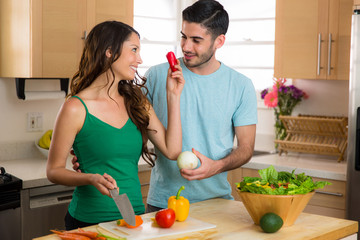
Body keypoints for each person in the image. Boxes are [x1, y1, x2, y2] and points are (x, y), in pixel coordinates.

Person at [46, 21, 185, 230]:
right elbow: (53, 171)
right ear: (109, 51)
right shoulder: (75, 108)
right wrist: (90, 178)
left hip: (133, 219)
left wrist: (173, 96)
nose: (140, 59)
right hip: (88, 223)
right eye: (134, 50)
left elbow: (172, 150)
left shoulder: (136, 102)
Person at [144, 0, 257, 212]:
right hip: (163, 204)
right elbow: (130, 128)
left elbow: (246, 148)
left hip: (216, 204)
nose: (186, 47)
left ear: (219, 41)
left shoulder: (241, 85)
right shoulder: (157, 75)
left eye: (196, 40)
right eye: (184, 37)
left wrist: (217, 166)